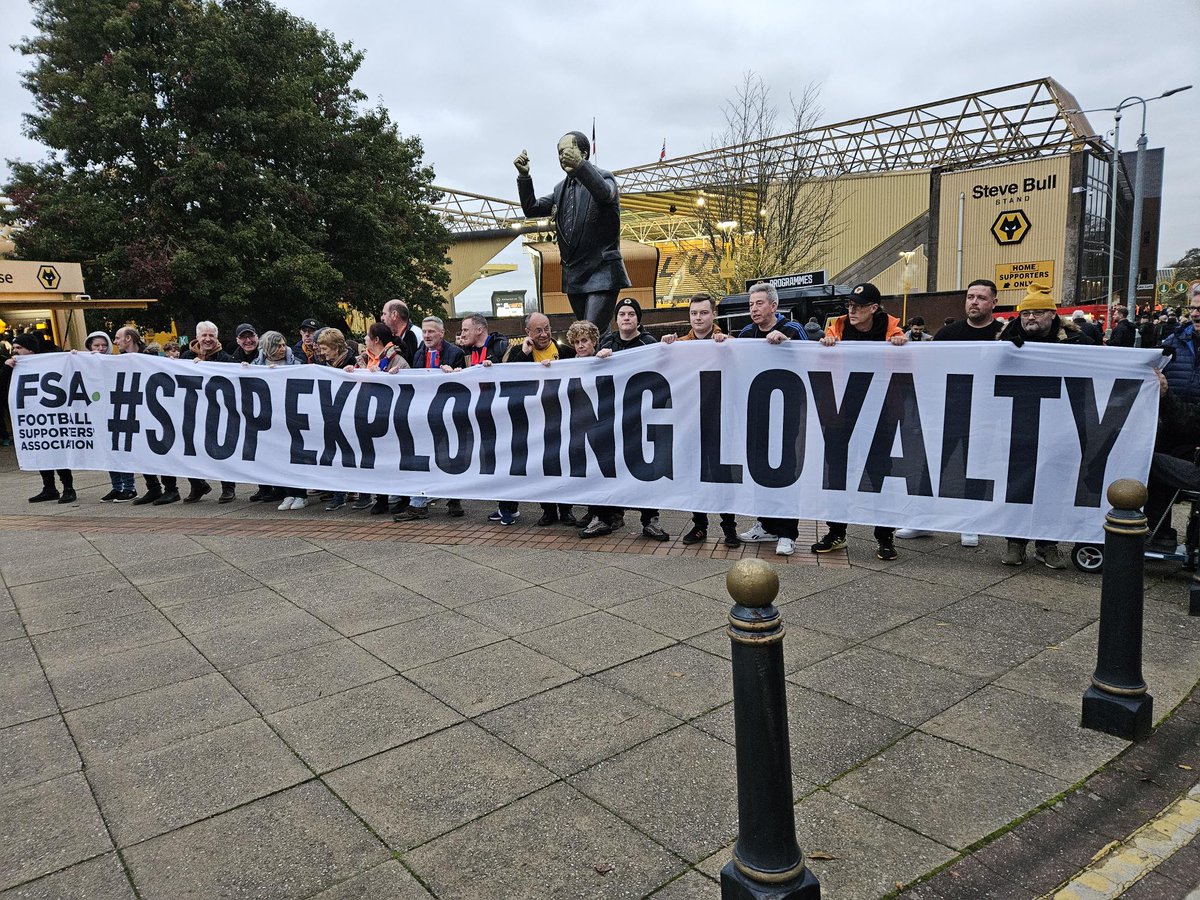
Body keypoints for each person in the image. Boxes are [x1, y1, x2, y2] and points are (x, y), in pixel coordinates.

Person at [896, 279, 1004, 545]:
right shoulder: (947, 335)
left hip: (985, 413)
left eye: (980, 297)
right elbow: (930, 373)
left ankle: (971, 523)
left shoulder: (1005, 334)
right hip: (948, 411)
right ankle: (921, 521)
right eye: (970, 297)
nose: (974, 302)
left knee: (975, 468)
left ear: (994, 302)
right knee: (932, 466)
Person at [998, 282, 1093, 569]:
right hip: (1020, 422)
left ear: (1052, 315)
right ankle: (1015, 542)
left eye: (1038, 313)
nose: (1030, 319)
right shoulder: (1005, 340)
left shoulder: (1076, 341)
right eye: (1026, 314)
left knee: (1054, 484)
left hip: (1061, 424)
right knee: (1018, 483)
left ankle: (1047, 544)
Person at [811, 283, 907, 561]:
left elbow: (907, 363)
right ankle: (837, 531)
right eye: (850, 305)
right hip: (842, 414)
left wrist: (900, 346)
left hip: (881, 414)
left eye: (859, 306)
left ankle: (885, 536)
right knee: (838, 473)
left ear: (874, 308)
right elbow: (820, 360)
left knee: (879, 473)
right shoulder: (838, 328)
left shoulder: (891, 330)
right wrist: (826, 347)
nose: (852, 311)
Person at [515, 131, 630, 330]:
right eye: (559, 152)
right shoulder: (560, 189)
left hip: (602, 272)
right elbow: (532, 208)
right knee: (595, 334)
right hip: (575, 276)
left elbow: (604, 194)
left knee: (587, 331)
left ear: (584, 154)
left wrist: (582, 167)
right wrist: (524, 176)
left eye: (568, 150)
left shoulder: (603, 177)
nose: (562, 156)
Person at [734, 282, 808, 556]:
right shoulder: (745, 333)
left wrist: (788, 346)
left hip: (785, 412)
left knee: (786, 467)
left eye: (759, 304)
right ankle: (766, 524)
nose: (754, 309)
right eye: (751, 304)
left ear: (774, 306)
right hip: (756, 413)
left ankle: (788, 532)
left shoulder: (793, 330)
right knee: (760, 468)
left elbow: (811, 361)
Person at [662, 293, 740, 547]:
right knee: (695, 474)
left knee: (721, 474)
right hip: (691, 420)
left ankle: (729, 527)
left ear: (714, 314)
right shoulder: (681, 344)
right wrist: (665, 347)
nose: (698, 318)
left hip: (720, 420)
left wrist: (728, 344)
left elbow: (744, 364)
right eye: (694, 313)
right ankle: (699, 526)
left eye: (703, 313)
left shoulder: (728, 342)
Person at [589, 298, 668, 542]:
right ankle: (603, 517)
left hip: (639, 417)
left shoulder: (648, 343)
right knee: (605, 466)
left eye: (631, 313)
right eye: (622, 313)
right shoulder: (607, 342)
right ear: (616, 318)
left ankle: (650, 520)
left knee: (644, 468)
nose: (626, 318)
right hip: (610, 416)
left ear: (637, 318)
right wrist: (598, 359)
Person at [393, 318, 467, 521]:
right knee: (422, 456)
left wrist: (454, 375)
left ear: (441, 333)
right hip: (424, 415)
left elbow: (465, 383)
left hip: (447, 414)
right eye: (424, 332)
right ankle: (418, 504)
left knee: (449, 458)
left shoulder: (455, 354)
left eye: (431, 332)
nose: (426, 335)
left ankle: (453, 499)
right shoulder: (419, 353)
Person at [7, 333, 75, 504]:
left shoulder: (48, 361)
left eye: (19, 348)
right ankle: (49, 488)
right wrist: (6, 368)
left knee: (57, 451)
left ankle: (68, 488)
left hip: (52, 414)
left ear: (30, 349)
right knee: (41, 451)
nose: (15, 351)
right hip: (32, 416)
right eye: (14, 348)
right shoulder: (14, 366)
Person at [180, 321, 238, 503]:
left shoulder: (226, 358)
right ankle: (197, 485)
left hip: (218, 412)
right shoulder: (186, 356)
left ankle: (228, 488)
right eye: (204, 335)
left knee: (222, 450)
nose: (207, 339)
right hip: (193, 411)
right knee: (188, 449)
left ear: (216, 337)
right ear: (197, 337)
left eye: (211, 335)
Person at [1161, 291, 1200, 403]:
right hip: (1172, 416)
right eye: (1191, 308)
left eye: (1199, 309)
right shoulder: (1173, 340)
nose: (1193, 314)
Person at [503, 312, 576, 364]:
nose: (544, 334)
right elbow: (510, 378)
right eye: (539, 331)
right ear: (528, 332)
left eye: (547, 329)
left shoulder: (567, 352)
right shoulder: (517, 352)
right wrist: (524, 354)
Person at [380, 300, 419, 367]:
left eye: (384, 314)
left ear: (394, 315)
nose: (382, 318)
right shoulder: (391, 337)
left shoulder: (416, 334)